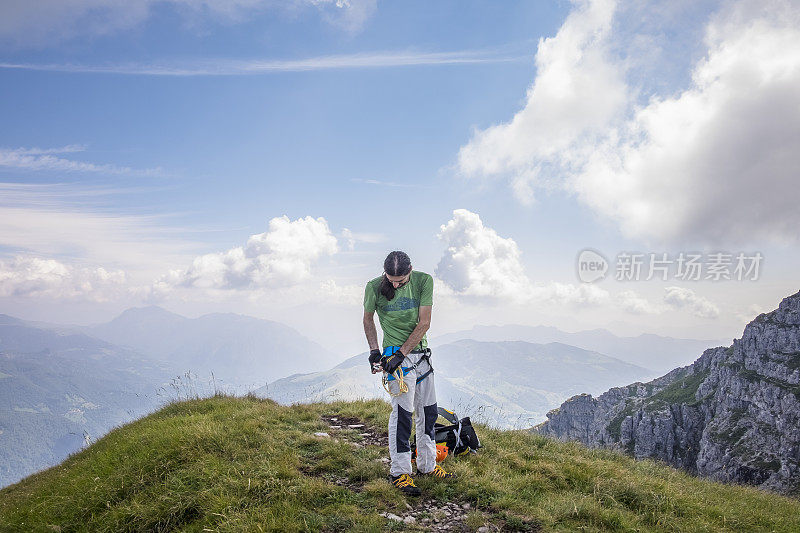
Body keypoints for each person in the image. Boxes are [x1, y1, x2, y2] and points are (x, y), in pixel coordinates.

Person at [363, 250, 455, 496]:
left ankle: (427, 466)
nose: (395, 284)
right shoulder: (373, 287)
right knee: (402, 414)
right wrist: (374, 351)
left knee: (429, 411)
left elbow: (424, 323)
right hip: (395, 358)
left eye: (400, 281)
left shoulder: (424, 282)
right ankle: (400, 472)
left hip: (417, 355)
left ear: (410, 271)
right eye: (391, 279)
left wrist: (402, 354)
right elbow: (368, 319)